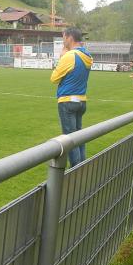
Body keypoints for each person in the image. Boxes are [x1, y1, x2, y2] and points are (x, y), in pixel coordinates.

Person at [50, 27, 93, 167]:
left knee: (69, 138)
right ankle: (82, 165)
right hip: (81, 101)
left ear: (69, 37)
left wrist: (62, 57)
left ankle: (76, 170)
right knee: (79, 136)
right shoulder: (87, 55)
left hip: (67, 102)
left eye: (63, 38)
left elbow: (54, 78)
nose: (63, 41)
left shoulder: (70, 56)